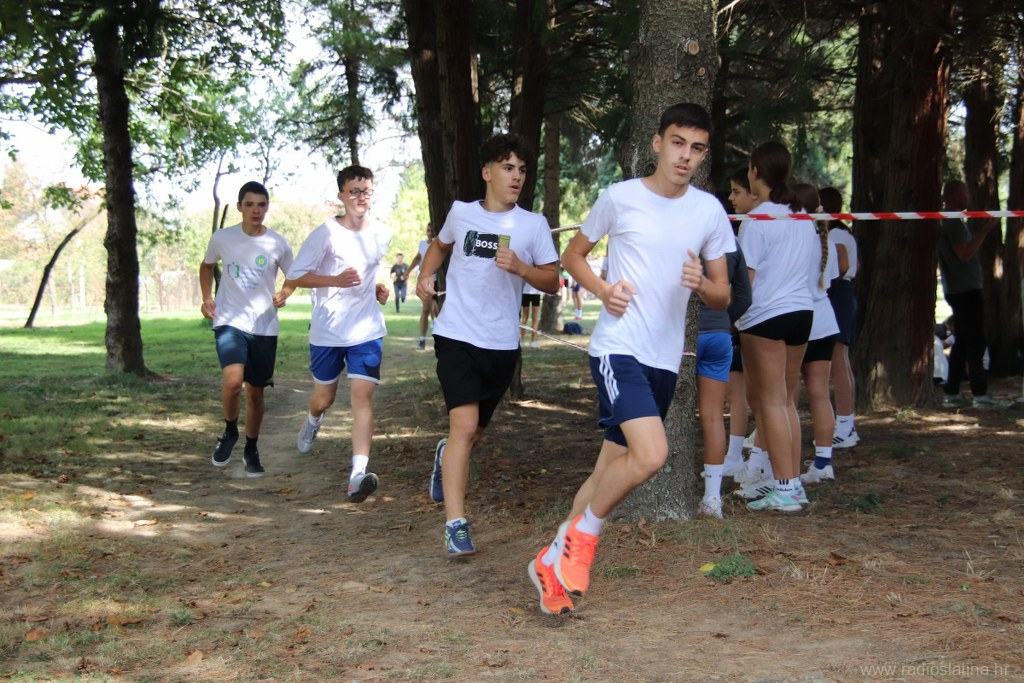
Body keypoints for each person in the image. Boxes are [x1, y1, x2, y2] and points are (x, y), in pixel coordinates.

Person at [531, 103, 732, 615]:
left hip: (664, 359)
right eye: (678, 143)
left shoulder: (708, 211)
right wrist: (603, 290)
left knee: (608, 470)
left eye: (697, 148)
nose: (685, 156)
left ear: (704, 155)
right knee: (652, 454)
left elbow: (723, 294)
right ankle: (584, 539)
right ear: (657, 143)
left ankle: (551, 563)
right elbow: (573, 255)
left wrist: (702, 284)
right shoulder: (619, 197)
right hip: (618, 348)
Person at [415, 134, 559, 559]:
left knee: (473, 433)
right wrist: (425, 275)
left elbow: (553, 280)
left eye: (522, 170)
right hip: (456, 335)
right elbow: (439, 247)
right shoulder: (461, 213)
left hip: (500, 345)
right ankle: (455, 525)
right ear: (487, 172)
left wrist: (522, 268)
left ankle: (445, 457)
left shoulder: (533, 225)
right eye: (508, 167)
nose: (516, 177)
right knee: (463, 427)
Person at [286, 166, 392, 503]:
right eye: (354, 191)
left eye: (366, 190)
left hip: (366, 330)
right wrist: (335, 281)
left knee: (362, 398)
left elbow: (370, 272)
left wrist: (378, 287)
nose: (361, 197)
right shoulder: (326, 233)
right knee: (325, 398)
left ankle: (357, 475)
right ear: (341, 196)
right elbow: (296, 275)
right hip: (328, 331)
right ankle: (312, 420)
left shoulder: (381, 233)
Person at [734, 142, 820, 512]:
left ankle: (786, 488)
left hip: (765, 316)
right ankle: (790, 484)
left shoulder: (757, 220)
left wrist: (728, 315)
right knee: (784, 402)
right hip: (802, 313)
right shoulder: (802, 217)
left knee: (771, 402)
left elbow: (746, 282)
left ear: (755, 172)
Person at [199, 181, 294, 477]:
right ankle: (229, 431)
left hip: (264, 326)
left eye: (261, 205)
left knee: (255, 393)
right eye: (250, 204)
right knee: (232, 382)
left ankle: (251, 449)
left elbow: (294, 277)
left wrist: (285, 293)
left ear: (267, 207)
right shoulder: (222, 238)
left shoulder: (278, 243)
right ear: (239, 207)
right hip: (229, 320)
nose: (256, 210)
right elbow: (206, 266)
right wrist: (207, 297)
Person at [697, 212, 752, 519]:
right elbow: (744, 296)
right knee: (714, 416)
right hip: (719, 334)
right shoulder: (731, 242)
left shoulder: (680, 235)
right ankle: (712, 498)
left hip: (681, 336)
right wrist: (723, 319)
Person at [791, 184, 840, 485]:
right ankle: (823, 462)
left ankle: (781, 462)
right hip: (824, 321)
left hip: (798, 320)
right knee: (820, 394)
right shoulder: (825, 240)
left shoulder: (794, 238)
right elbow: (829, 280)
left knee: (786, 397)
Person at [937, 180, 1000, 408]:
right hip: (964, 291)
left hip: (961, 289)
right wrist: (985, 231)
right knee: (975, 341)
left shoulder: (952, 220)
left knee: (963, 342)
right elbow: (964, 254)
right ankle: (980, 394)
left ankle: (952, 392)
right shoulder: (952, 221)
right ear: (955, 194)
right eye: (965, 191)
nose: (969, 195)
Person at [820, 187, 860, 446]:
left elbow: (842, 265)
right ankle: (847, 423)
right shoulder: (844, 232)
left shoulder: (835, 233)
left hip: (838, 294)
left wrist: (826, 277)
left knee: (838, 362)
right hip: (844, 294)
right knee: (841, 360)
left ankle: (845, 426)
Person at [408, 223, 439, 350]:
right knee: (426, 308)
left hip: (439, 280)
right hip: (427, 281)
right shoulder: (422, 244)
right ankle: (422, 340)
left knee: (437, 309)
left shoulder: (440, 243)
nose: (430, 232)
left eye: (432, 230)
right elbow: (418, 258)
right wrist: (407, 272)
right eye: (428, 230)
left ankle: (439, 335)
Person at [521, 282, 542, 349]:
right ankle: (532, 341)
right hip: (533, 292)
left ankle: (524, 340)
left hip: (528, 292)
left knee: (526, 317)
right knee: (532, 318)